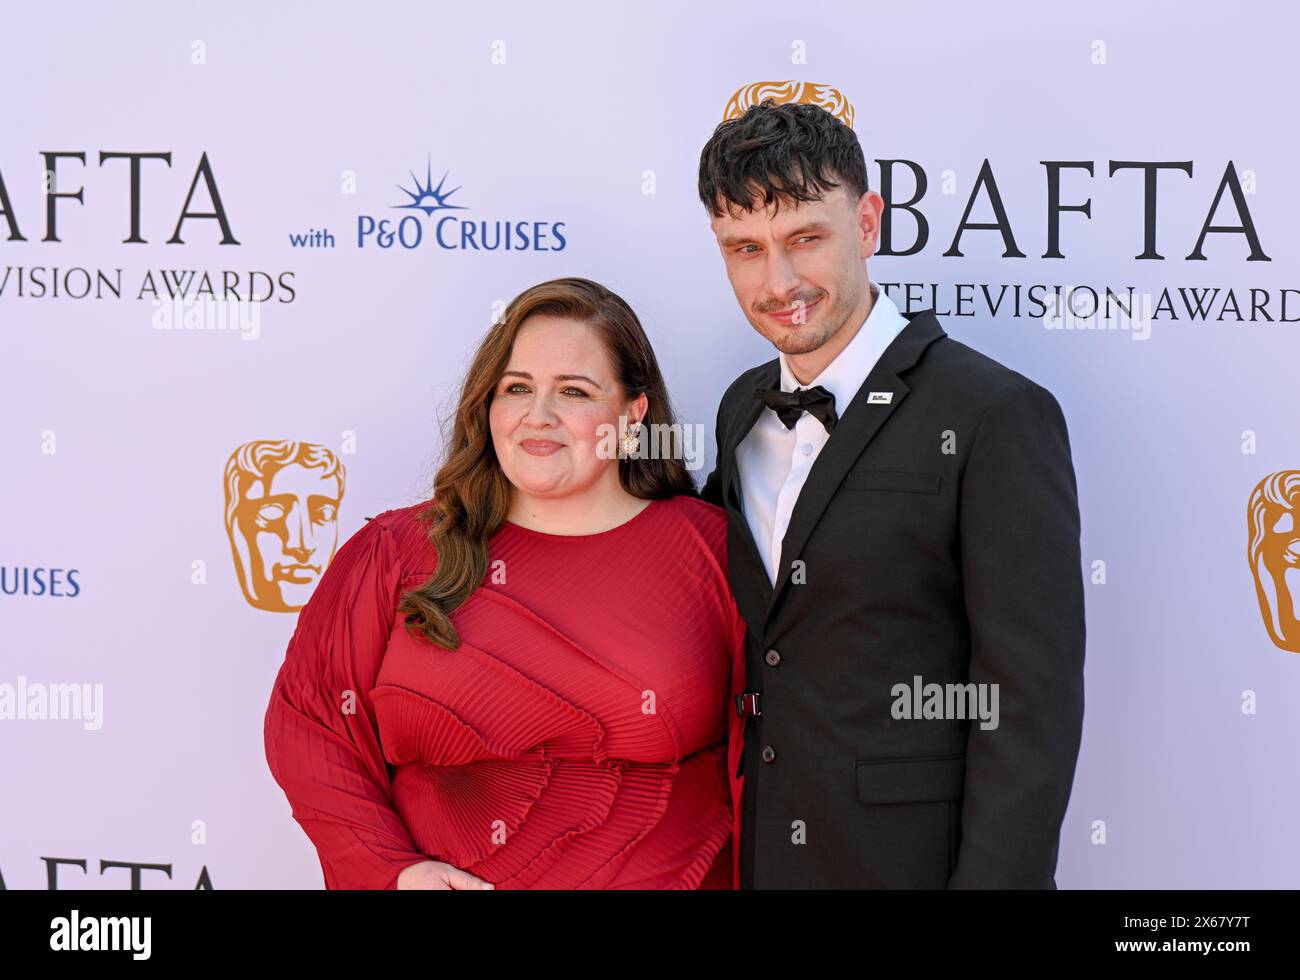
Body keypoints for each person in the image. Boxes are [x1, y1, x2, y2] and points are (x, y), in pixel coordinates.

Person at [697, 98, 1086, 888]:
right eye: (746, 248)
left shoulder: (994, 413)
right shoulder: (740, 408)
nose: (779, 282)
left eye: (806, 238)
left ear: (868, 223)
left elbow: (1028, 705)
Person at [264, 277, 747, 889]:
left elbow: (779, 753)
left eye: (573, 391)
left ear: (632, 414)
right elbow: (312, 725)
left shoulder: (716, 553)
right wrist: (396, 872)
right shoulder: (394, 552)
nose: (537, 416)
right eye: (517, 388)